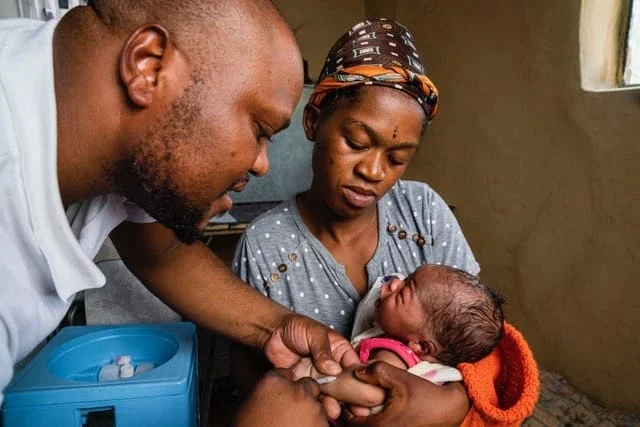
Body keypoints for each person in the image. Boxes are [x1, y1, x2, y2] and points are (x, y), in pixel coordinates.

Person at [0, 1, 362, 424]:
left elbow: (161, 252)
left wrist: (277, 327)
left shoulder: (85, 108)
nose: (261, 164)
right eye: (259, 130)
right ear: (148, 66)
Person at [232, 18, 539, 426]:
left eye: (397, 158)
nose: (375, 171)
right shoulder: (265, 246)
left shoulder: (423, 212)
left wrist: (450, 405)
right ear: (313, 122)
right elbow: (253, 382)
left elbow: (473, 344)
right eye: (357, 144)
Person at [319, 265, 504, 408]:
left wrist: (316, 378)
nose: (394, 283)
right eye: (406, 279)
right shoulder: (407, 341)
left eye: (402, 294)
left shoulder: (392, 357)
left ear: (421, 345)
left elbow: (368, 394)